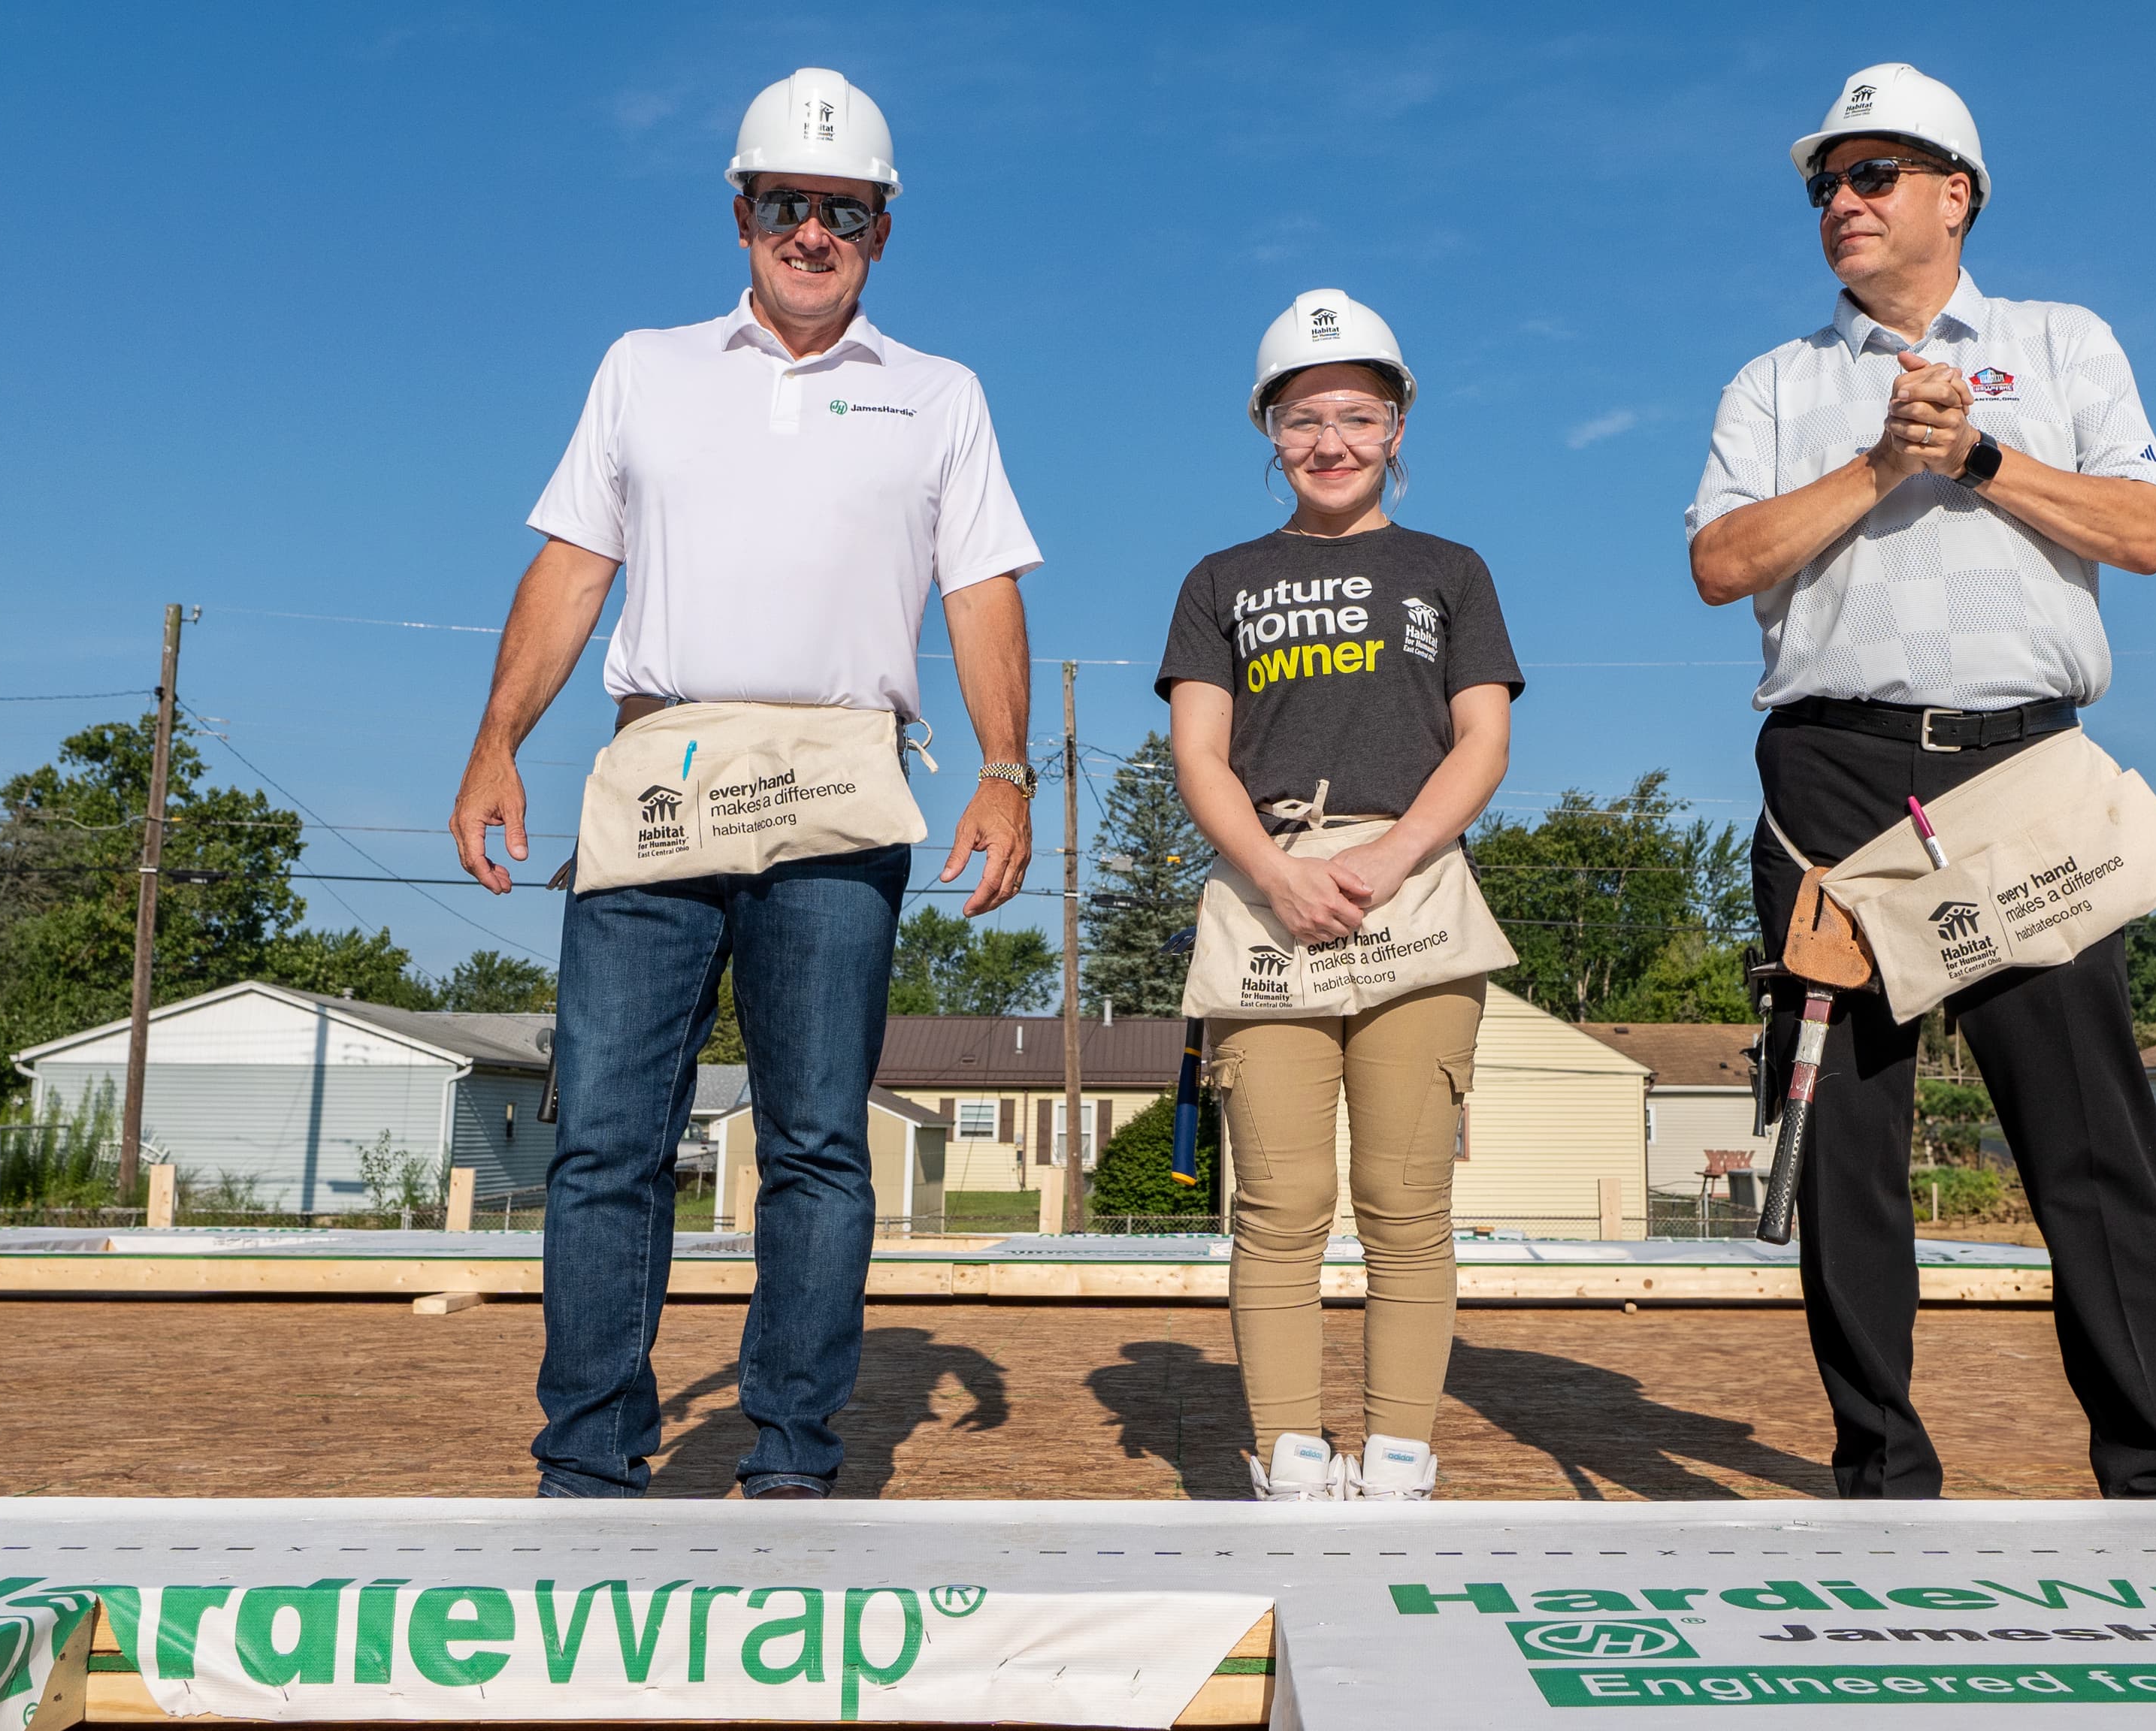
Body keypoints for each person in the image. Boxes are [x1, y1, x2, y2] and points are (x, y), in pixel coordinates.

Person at [447, 68, 1044, 1498]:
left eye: (845, 209)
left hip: (838, 787)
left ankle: (790, 1450)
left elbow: (981, 594)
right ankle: (590, 1456)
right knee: (605, 1136)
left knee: (818, 1141)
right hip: (662, 769)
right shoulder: (641, 368)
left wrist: (1007, 768)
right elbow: (573, 565)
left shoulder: (939, 396)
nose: (813, 231)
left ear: (882, 230)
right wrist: (494, 741)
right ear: (741, 211)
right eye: (788, 202)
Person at [1686, 63, 2156, 1500]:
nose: (1842, 203)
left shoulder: (2062, 341)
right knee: (1848, 1148)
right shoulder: (1780, 380)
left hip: (2026, 767)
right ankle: (1881, 1469)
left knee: (2091, 1139)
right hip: (1836, 780)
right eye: (1825, 183)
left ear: (1956, 191)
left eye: (1873, 175)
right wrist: (1880, 462)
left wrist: (1980, 455)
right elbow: (1720, 562)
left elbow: (2147, 528)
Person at [1157, 289, 1520, 1503]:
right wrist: (1276, 872)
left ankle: (1401, 1452)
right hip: (1268, 896)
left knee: (1407, 1198)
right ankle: (1290, 1451)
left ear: (1399, 424)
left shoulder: (1449, 571)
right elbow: (1199, 753)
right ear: (1268, 427)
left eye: (1357, 416)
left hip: (1412, 897)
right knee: (1281, 1198)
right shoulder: (1222, 580)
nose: (1332, 441)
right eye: (1304, 416)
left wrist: (1394, 853)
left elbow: (1481, 739)